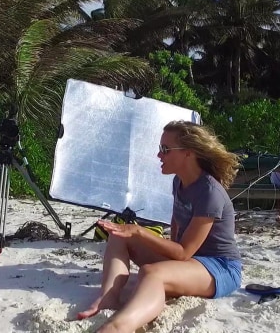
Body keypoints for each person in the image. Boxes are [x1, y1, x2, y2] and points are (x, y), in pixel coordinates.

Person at [78, 120, 242, 333]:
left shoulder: (209, 192)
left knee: (152, 273)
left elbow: (183, 252)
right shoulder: (179, 181)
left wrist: (139, 231)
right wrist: (147, 240)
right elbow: (176, 222)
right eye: (160, 149)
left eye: (165, 149)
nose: (159, 155)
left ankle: (119, 327)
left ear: (188, 153)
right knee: (119, 235)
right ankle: (108, 297)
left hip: (219, 268)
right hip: (191, 260)